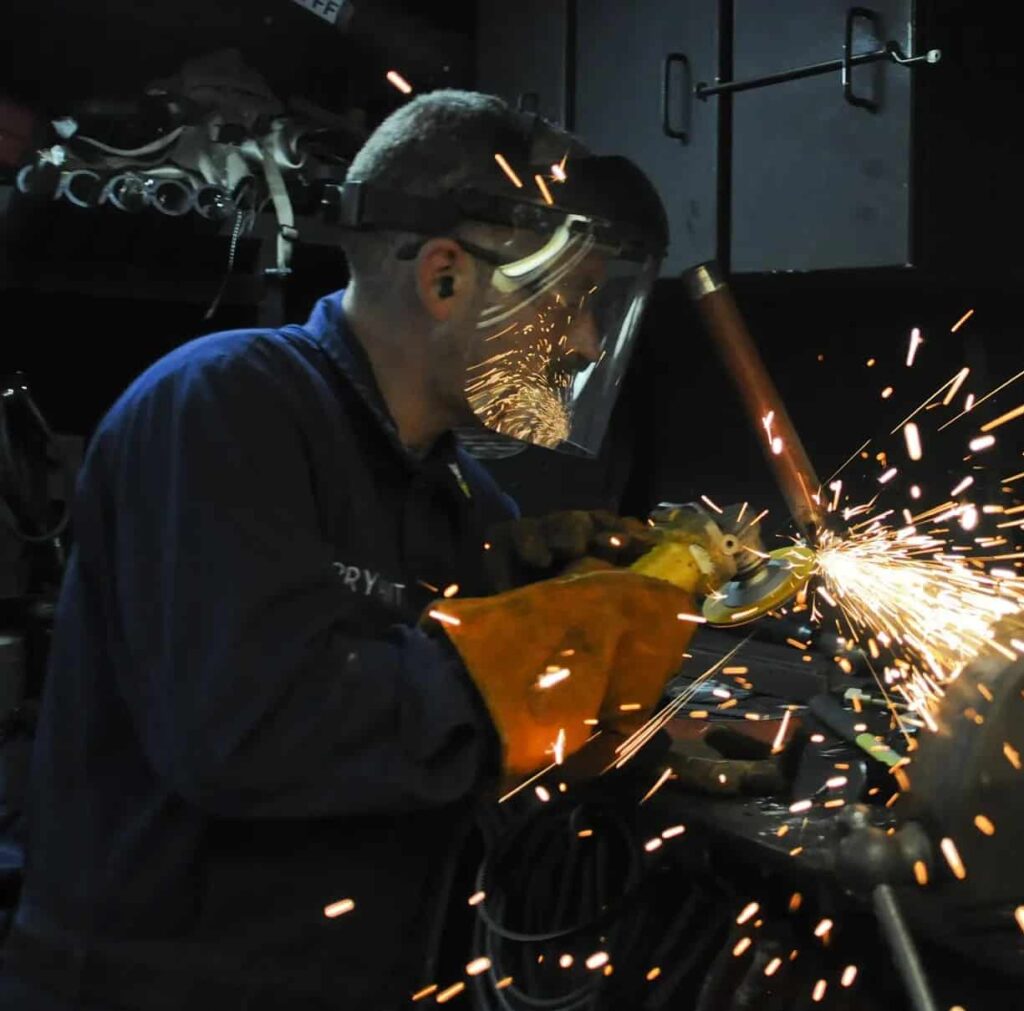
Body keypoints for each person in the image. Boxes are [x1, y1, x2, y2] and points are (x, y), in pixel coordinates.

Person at [0, 90, 698, 1009]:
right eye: (570, 302)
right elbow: (245, 731)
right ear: (445, 276)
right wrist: (510, 655)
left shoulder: (463, 493)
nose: (579, 342)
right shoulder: (223, 405)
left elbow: (412, 666)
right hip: (154, 982)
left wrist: (549, 587)